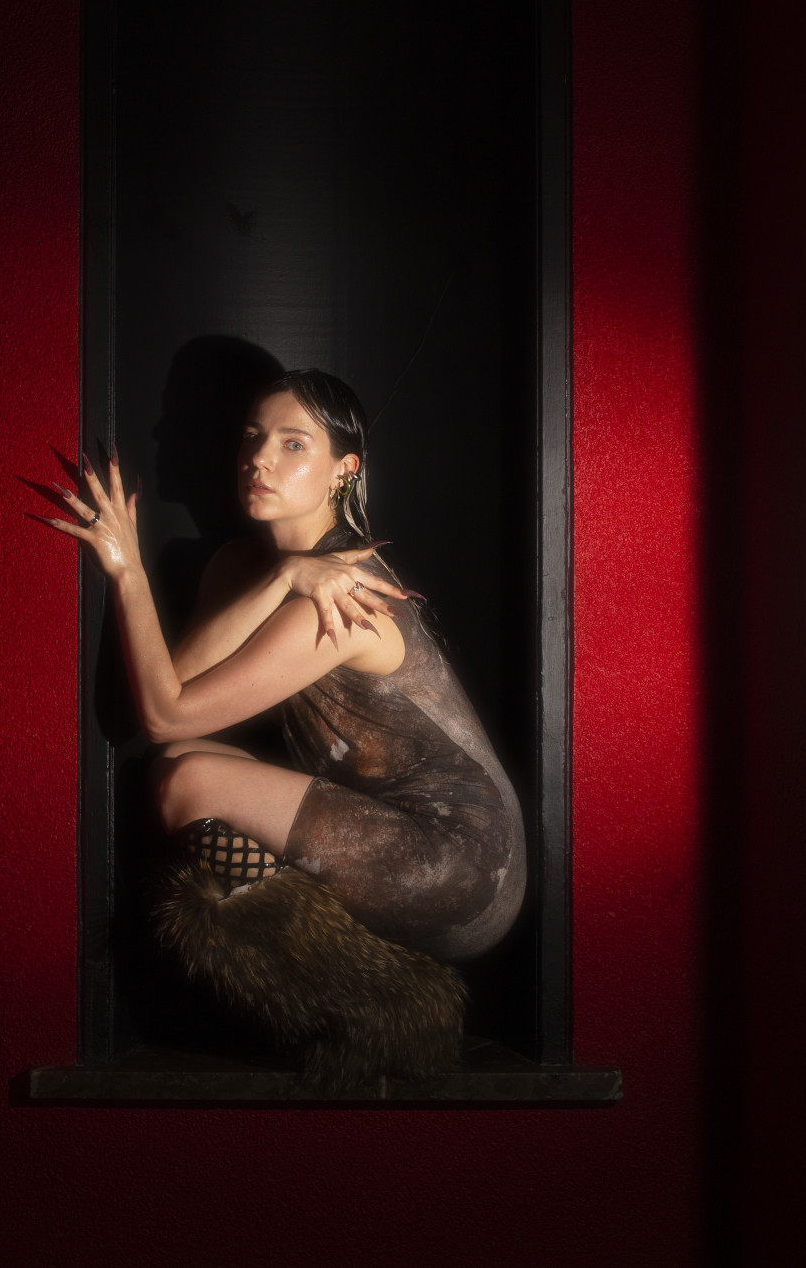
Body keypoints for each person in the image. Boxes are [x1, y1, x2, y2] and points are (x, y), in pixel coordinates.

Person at [42, 369, 525, 963]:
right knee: (173, 762)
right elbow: (174, 690)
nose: (259, 458)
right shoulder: (244, 566)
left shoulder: (344, 597)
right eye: (252, 436)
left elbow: (164, 714)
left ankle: (342, 979)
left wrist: (127, 570)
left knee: (188, 782)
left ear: (344, 470)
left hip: (462, 864)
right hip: (375, 816)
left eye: (293, 443)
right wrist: (281, 575)